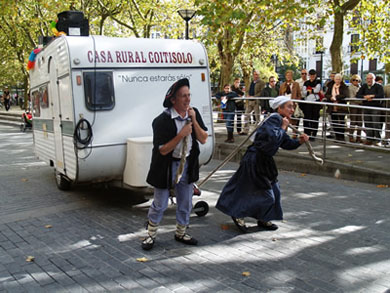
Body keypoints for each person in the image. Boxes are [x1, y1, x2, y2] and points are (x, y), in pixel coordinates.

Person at [216, 96, 309, 233]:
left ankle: (264, 217)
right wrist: (283, 127)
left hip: (264, 161)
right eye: (289, 106)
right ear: (280, 108)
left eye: (293, 106)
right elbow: (273, 139)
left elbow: (284, 142)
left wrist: (299, 142)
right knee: (260, 193)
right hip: (255, 159)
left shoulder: (279, 120)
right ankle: (238, 214)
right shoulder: (275, 119)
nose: (292, 109)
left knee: (273, 191)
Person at [142, 78, 208, 250]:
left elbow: (203, 138)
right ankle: (150, 234)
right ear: (173, 100)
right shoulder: (161, 121)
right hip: (166, 167)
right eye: (183, 96)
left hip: (186, 164)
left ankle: (181, 232)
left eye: (188, 95)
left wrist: (193, 120)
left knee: (185, 202)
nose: (187, 99)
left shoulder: (194, 114)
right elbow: (162, 150)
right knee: (161, 203)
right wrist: (181, 134)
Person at [356, 73, 384, 145]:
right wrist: (365, 97)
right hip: (366, 107)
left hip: (375, 107)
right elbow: (358, 95)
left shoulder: (379, 86)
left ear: (374, 79)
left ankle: (378, 140)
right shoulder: (364, 86)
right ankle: (369, 139)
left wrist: (372, 96)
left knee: (376, 124)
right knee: (367, 124)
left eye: (371, 78)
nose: (369, 80)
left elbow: (381, 95)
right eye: (367, 78)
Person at [324, 73, 349, 141]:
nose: (337, 80)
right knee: (334, 121)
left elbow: (345, 95)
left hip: (341, 107)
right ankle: (337, 136)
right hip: (332, 107)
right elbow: (326, 94)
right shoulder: (331, 86)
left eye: (339, 79)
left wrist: (336, 97)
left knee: (341, 121)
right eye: (336, 79)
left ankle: (341, 136)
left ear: (341, 80)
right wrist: (331, 97)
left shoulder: (344, 86)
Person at [280, 70, 302, 138]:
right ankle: (284, 134)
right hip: (284, 104)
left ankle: (294, 134)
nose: (288, 77)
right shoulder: (283, 85)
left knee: (294, 120)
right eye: (287, 75)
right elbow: (280, 95)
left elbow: (299, 95)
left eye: (290, 75)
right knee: (285, 119)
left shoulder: (296, 84)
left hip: (292, 104)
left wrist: (296, 101)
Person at [301, 69, 322, 140]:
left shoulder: (318, 82)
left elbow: (317, 90)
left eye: (313, 75)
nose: (312, 76)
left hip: (315, 102)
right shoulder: (306, 82)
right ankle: (307, 133)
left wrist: (310, 90)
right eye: (311, 75)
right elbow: (304, 92)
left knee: (315, 118)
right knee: (307, 117)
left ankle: (313, 134)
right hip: (307, 102)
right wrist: (312, 90)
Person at [242, 70, 265, 134]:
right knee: (246, 115)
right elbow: (247, 90)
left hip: (256, 102)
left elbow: (262, 92)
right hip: (249, 102)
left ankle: (257, 132)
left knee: (257, 117)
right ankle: (245, 130)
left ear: (259, 75)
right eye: (254, 74)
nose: (255, 76)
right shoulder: (251, 82)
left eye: (257, 74)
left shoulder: (262, 83)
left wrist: (254, 96)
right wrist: (248, 95)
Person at [348, 75, 363, 143]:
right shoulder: (350, 88)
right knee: (353, 121)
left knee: (360, 122)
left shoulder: (360, 87)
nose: (355, 81)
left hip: (360, 106)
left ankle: (358, 137)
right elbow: (352, 98)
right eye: (353, 80)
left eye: (357, 80)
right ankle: (351, 136)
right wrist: (362, 100)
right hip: (354, 106)